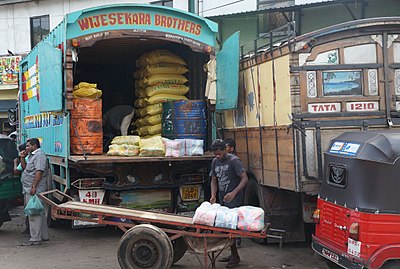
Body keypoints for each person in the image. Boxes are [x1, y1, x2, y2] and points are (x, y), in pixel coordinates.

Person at [209, 139, 248, 268]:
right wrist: (213, 195)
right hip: (223, 198)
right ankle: (233, 254)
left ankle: (235, 256)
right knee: (225, 229)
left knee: (231, 228)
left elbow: (244, 179)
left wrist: (234, 193)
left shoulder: (234, 161)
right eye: (215, 154)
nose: (217, 156)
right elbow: (214, 180)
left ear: (226, 150)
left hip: (234, 199)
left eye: (219, 153)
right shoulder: (215, 161)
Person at [19, 138, 50, 246]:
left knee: (34, 213)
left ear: (34, 146)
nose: (26, 148)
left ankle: (35, 239)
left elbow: (39, 172)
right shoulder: (31, 156)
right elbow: (25, 169)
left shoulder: (39, 155)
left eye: (28, 146)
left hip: (35, 189)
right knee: (39, 212)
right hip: (28, 188)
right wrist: (22, 158)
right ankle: (43, 236)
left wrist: (33, 186)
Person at [13, 142, 30, 235]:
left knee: (28, 208)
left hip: (28, 187)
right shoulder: (30, 157)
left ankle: (29, 229)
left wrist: (15, 163)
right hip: (28, 186)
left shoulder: (26, 158)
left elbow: (16, 171)